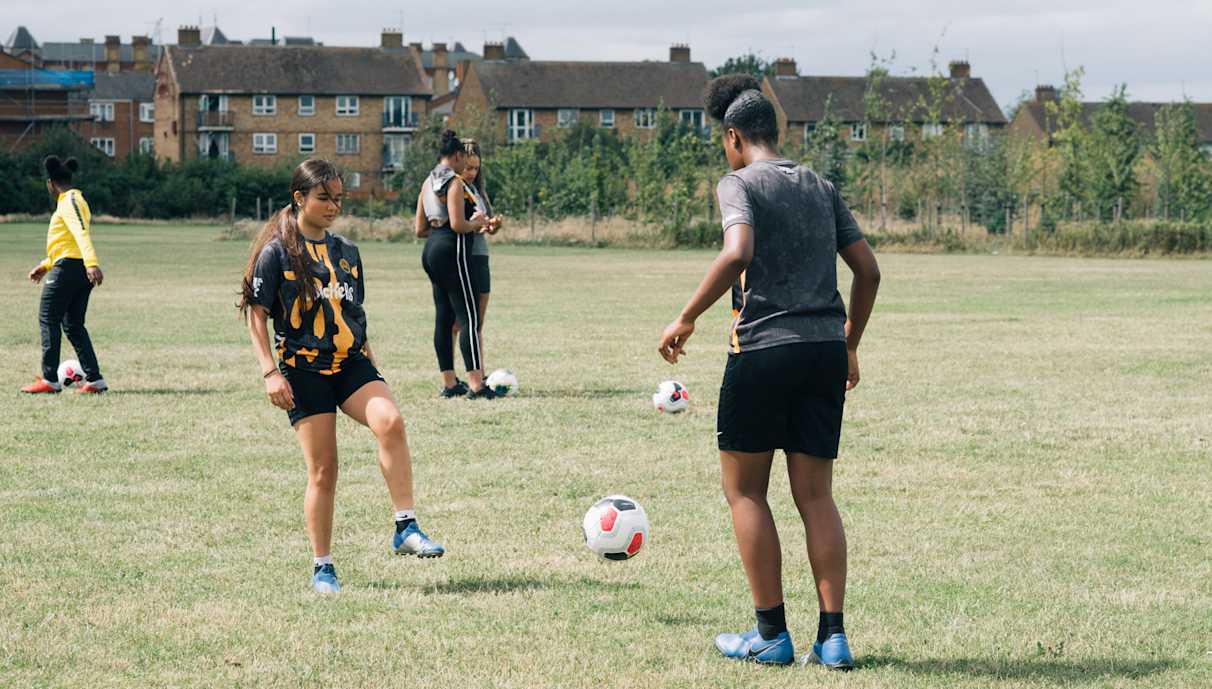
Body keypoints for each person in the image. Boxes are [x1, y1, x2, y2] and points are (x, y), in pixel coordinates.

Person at [657, 75, 881, 669]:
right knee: (816, 495)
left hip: (761, 350)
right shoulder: (821, 184)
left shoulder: (738, 183)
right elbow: (869, 271)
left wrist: (685, 317)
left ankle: (770, 635)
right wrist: (849, 344)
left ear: (733, 137)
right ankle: (833, 639)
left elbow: (738, 252)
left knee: (746, 491)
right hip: (822, 353)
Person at [240, 159, 445, 595]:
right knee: (324, 471)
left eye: (338, 198)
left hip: (351, 363)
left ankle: (405, 526)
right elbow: (255, 316)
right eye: (324, 198)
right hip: (303, 372)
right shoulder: (276, 252)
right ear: (300, 199)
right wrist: (269, 373)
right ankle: (323, 567)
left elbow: (355, 314)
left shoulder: (347, 252)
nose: (333, 206)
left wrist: (372, 364)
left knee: (390, 421)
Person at [413, 130, 496, 399]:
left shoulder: (428, 182)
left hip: (431, 248)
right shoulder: (454, 182)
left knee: (443, 317)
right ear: (457, 156)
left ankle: (449, 383)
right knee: (469, 317)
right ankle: (476, 385)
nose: (465, 167)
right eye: (464, 161)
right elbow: (459, 224)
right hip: (454, 248)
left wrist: (440, 234)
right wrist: (478, 223)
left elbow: (419, 228)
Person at [23, 156, 108, 394]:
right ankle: (95, 380)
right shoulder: (71, 201)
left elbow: (81, 232)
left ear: (50, 183)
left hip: (71, 268)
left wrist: (92, 263)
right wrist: (45, 265)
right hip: (74, 266)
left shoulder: (70, 200)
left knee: (48, 318)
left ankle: (50, 379)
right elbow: (66, 243)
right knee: (73, 325)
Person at [451, 137, 502, 364]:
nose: (471, 172)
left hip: (481, 255)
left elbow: (484, 226)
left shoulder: (476, 190)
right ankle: (451, 376)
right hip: (462, 257)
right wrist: (472, 224)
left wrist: (492, 225)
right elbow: (453, 224)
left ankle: (479, 373)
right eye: (468, 167)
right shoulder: (453, 190)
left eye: (476, 168)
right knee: (457, 321)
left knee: (478, 321)